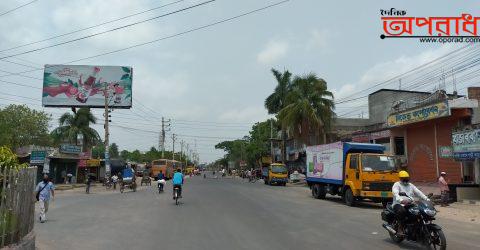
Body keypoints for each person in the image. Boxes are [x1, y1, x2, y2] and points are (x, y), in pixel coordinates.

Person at [392, 170, 429, 235]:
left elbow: (418, 192)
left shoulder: (410, 185)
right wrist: (401, 200)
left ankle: (416, 226)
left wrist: (426, 199)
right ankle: (400, 228)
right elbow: (395, 193)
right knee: (402, 211)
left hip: (409, 204)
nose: (406, 179)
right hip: (398, 204)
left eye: (407, 178)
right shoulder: (397, 185)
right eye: (404, 178)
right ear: (400, 178)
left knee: (419, 211)